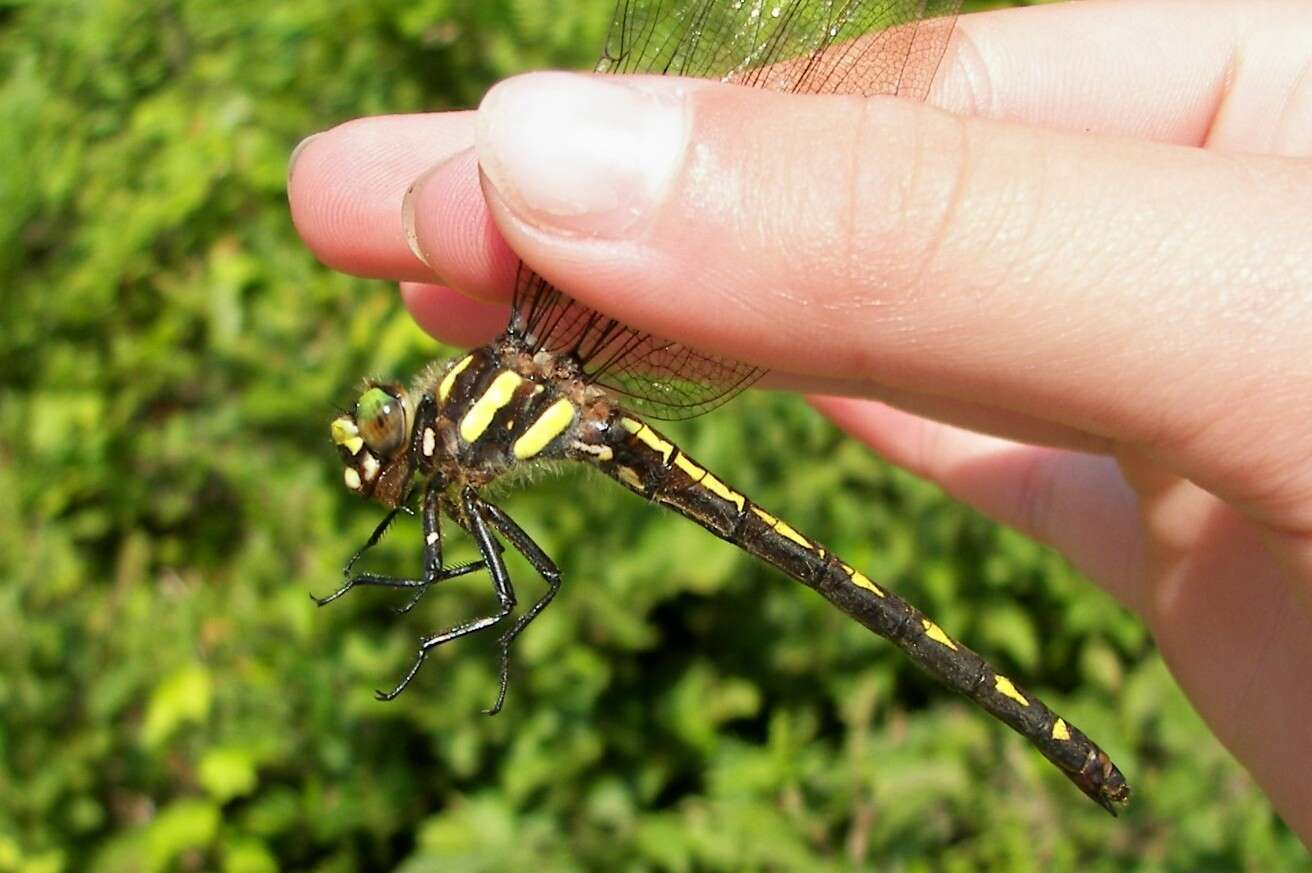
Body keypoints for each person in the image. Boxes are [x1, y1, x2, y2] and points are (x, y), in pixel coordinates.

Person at [287, 0, 1312, 845]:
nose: (380, 439)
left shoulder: (485, 402)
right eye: (374, 435)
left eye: (380, 424)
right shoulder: (458, 456)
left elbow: (507, 576)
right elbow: (507, 576)